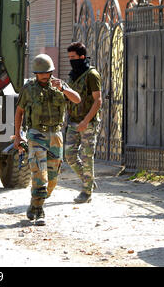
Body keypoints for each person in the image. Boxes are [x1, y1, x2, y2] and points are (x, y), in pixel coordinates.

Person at [14, 54, 81, 226]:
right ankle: (39, 212)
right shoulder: (28, 89)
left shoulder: (60, 86)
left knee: (52, 180)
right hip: (36, 135)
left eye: (48, 72)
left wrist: (64, 89)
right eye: (42, 73)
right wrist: (18, 135)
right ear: (36, 73)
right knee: (39, 177)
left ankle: (35, 204)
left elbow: (77, 99)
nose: (45, 75)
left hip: (56, 136)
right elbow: (19, 112)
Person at [64, 42, 103, 204]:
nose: (70, 60)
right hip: (73, 122)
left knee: (87, 157)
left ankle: (86, 192)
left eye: (73, 57)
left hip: (88, 123)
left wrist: (86, 121)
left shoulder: (92, 75)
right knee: (69, 156)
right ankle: (89, 181)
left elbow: (98, 100)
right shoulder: (73, 75)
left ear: (81, 57)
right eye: (69, 58)